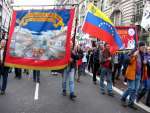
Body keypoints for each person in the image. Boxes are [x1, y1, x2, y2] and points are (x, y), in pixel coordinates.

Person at [121, 42, 146, 109]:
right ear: (139, 47)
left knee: (135, 90)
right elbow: (128, 61)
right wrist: (134, 55)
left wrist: (145, 63)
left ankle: (131, 103)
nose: (144, 48)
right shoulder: (133, 52)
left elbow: (142, 64)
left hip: (138, 74)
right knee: (131, 88)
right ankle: (123, 98)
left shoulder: (143, 54)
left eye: (144, 47)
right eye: (143, 47)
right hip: (132, 73)